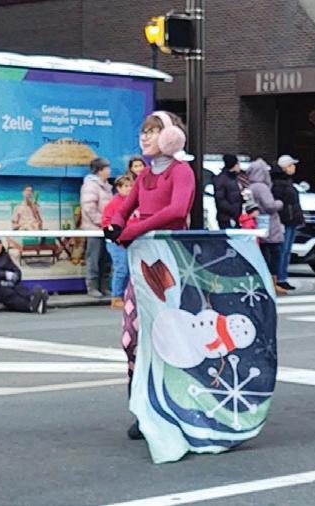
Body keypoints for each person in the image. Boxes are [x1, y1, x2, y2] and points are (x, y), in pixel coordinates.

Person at [105, 110, 195, 440]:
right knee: (132, 339)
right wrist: (114, 225)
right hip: (141, 263)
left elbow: (177, 211)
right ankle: (141, 407)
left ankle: (172, 408)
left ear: (171, 136)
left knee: (168, 340)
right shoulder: (143, 175)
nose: (145, 136)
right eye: (144, 130)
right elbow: (123, 207)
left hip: (170, 264)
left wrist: (134, 229)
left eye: (154, 131)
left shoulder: (182, 172)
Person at [245, 158, 290, 295]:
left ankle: (265, 282)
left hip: (259, 223)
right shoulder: (262, 187)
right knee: (275, 253)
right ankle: (273, 283)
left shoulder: (250, 187)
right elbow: (270, 205)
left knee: (264, 253)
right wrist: (279, 203)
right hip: (270, 225)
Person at [0, 240, 51, 314]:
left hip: (8, 282)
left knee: (20, 289)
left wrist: (16, 276)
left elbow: (15, 269)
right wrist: (5, 275)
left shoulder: (4, 255)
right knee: (9, 294)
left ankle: (35, 298)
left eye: (0, 243)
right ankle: (30, 306)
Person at [80, 158, 115, 298]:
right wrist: (102, 222)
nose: (109, 171)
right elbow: (89, 207)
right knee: (93, 258)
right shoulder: (91, 185)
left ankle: (104, 286)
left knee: (106, 259)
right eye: (107, 168)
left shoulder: (107, 186)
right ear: (100, 170)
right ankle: (92, 286)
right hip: (94, 229)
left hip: (107, 229)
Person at [101, 174, 136, 309]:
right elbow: (106, 222)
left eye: (131, 186)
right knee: (121, 269)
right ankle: (116, 297)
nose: (129, 189)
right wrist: (116, 236)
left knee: (127, 269)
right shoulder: (113, 204)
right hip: (116, 241)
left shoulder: (133, 202)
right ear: (118, 188)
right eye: (126, 186)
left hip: (128, 240)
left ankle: (126, 296)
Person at [271, 156, 305, 289]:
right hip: (285, 220)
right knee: (283, 250)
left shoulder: (287, 181)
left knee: (287, 250)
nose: (294, 168)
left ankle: (283, 276)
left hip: (291, 220)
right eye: (291, 165)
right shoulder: (279, 183)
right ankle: (280, 277)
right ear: (285, 167)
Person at [211, 155, 245, 229]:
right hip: (227, 218)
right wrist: (234, 210)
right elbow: (220, 200)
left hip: (235, 217)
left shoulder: (233, 178)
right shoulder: (222, 179)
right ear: (234, 165)